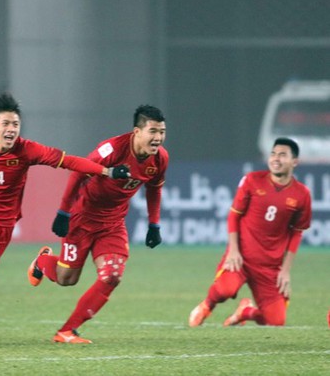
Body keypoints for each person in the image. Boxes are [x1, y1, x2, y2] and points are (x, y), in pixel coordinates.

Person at [0, 92, 120, 344]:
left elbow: (68, 161)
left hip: (3, 226)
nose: (11, 129)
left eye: (16, 125)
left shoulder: (27, 150)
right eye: (6, 124)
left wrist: (105, 170)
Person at [27, 105, 168, 344]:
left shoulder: (160, 159)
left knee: (112, 276)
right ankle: (42, 261)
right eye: (153, 131)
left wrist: (154, 225)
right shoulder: (112, 149)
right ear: (137, 131)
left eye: (162, 132)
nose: (158, 138)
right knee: (66, 279)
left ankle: (66, 331)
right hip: (82, 217)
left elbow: (155, 189)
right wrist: (63, 212)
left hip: (112, 223)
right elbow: (78, 173)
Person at [188, 137, 311, 327]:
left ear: (295, 161)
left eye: (282, 155)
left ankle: (246, 312)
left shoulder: (302, 194)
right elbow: (233, 216)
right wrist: (234, 251)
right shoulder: (252, 180)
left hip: (270, 267)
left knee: (276, 323)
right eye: (273, 154)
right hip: (242, 257)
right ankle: (206, 306)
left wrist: (285, 271)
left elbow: (297, 233)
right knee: (225, 290)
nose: (276, 158)